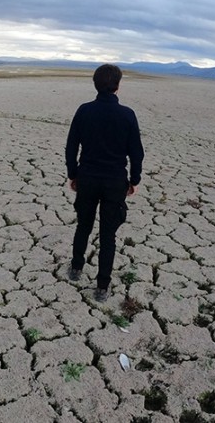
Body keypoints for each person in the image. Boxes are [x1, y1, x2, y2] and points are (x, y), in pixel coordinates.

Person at [65, 64, 144, 302]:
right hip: (114, 182)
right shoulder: (127, 115)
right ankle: (102, 286)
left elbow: (71, 147)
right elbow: (136, 153)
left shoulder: (84, 110)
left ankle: (77, 268)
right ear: (118, 86)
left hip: (87, 178)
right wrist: (134, 180)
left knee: (83, 226)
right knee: (108, 236)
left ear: (95, 84)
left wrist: (73, 174)